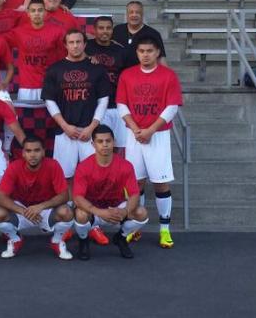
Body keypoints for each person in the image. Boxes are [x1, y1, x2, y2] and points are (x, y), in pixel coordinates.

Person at [116, 36, 183, 249]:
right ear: (137, 53)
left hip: (158, 135)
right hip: (134, 135)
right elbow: (121, 104)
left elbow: (172, 106)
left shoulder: (168, 76)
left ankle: (165, 229)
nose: (145, 55)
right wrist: (136, 129)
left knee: (160, 182)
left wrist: (151, 130)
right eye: (141, 51)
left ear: (157, 53)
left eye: (149, 51)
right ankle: (136, 227)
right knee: (135, 183)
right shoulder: (127, 75)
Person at [42, 29, 111, 181]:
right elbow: (49, 101)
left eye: (78, 42)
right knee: (64, 177)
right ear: (65, 45)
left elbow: (103, 100)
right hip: (64, 131)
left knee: (95, 175)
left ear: (85, 44)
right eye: (71, 42)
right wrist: (65, 126)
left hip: (91, 133)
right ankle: (69, 204)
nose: (75, 46)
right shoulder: (55, 69)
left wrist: (91, 127)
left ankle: (90, 205)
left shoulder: (97, 69)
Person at [72, 125, 148, 261]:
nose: (105, 145)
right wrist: (99, 212)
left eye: (108, 141)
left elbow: (134, 194)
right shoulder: (84, 167)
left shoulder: (125, 165)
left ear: (114, 142)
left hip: (116, 209)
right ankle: (83, 241)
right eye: (100, 142)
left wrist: (125, 211)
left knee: (141, 213)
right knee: (80, 214)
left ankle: (121, 238)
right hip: (93, 210)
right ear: (93, 144)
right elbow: (77, 198)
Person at [0, 135, 74, 260]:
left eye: (37, 150)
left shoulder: (53, 165)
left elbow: (64, 195)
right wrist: (24, 211)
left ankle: (57, 241)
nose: (32, 154)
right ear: (23, 153)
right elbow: (0, 198)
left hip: (45, 210)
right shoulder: (14, 167)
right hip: (22, 210)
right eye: (28, 151)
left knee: (66, 212)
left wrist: (40, 206)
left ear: (43, 152)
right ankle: (15, 239)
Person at [86, 16, 133, 148]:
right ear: (94, 30)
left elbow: (129, 78)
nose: (105, 31)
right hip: (94, 107)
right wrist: (86, 58)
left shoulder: (122, 50)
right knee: (98, 147)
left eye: (108, 28)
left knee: (120, 146)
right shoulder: (85, 48)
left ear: (112, 30)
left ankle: (120, 169)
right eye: (101, 28)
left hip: (118, 105)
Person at [7, 0, 64, 101]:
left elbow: (66, 54)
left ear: (45, 13)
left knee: (51, 116)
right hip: (26, 86)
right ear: (28, 13)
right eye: (33, 11)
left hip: (49, 84)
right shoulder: (18, 32)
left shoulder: (57, 31)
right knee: (26, 116)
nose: (37, 13)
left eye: (40, 10)